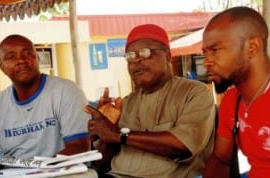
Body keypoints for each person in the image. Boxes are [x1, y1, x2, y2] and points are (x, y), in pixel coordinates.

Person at [85, 24, 215, 178]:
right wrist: (108, 128)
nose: (136, 61)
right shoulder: (126, 103)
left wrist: (119, 135)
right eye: (130, 56)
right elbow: (101, 162)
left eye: (145, 53)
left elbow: (182, 146)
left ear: (167, 56)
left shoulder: (193, 92)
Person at [202, 6, 270, 178]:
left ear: (252, 47)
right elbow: (221, 159)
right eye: (205, 53)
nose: (206, 62)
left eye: (215, 50)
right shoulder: (232, 100)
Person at [0, 34, 89, 159]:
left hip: (63, 172)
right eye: (11, 57)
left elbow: (79, 147)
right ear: (2, 68)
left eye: (27, 53)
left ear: (38, 58)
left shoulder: (66, 91)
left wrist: (39, 170)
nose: (21, 60)